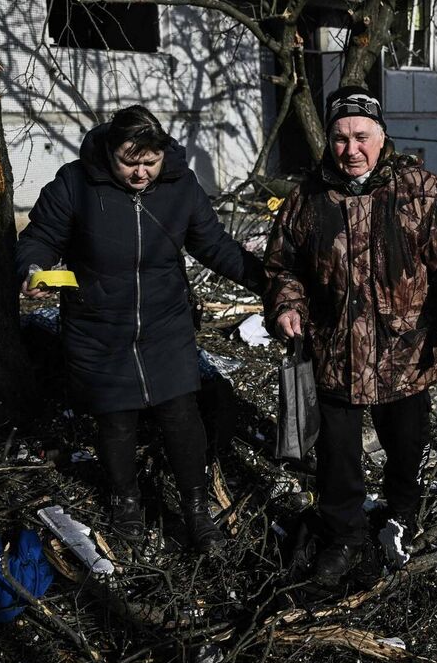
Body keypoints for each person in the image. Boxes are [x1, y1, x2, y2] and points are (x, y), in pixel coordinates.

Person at [16, 105, 263, 553]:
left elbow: (215, 246)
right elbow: (41, 237)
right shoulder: (76, 183)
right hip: (97, 326)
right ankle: (126, 504)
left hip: (164, 322)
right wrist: (33, 267)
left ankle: (196, 510)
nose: (140, 173)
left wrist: (267, 279)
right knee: (116, 420)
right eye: (130, 162)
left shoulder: (181, 187)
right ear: (109, 152)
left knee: (180, 413)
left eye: (150, 162)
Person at [264, 86, 437, 581]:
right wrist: (288, 305)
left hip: (405, 352)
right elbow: (283, 266)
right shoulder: (307, 196)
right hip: (333, 353)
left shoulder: (419, 189)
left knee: (406, 447)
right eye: (340, 138)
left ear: (382, 136)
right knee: (337, 456)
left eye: (362, 136)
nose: (350, 150)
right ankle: (343, 537)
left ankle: (401, 519)